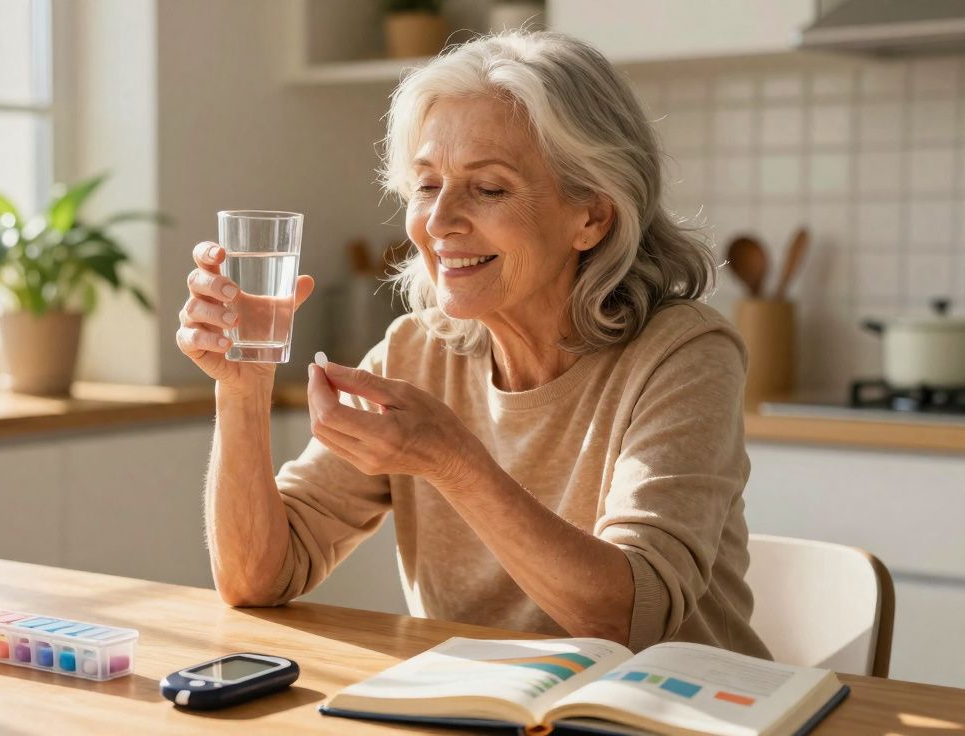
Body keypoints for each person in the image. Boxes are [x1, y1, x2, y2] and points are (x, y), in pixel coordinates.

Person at [176, 30, 769, 657]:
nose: (438, 223)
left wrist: (453, 462)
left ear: (591, 217)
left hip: (676, 713)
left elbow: (629, 621)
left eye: (488, 188)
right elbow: (256, 580)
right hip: (481, 712)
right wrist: (241, 389)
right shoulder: (416, 352)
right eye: (428, 185)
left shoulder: (684, 354)